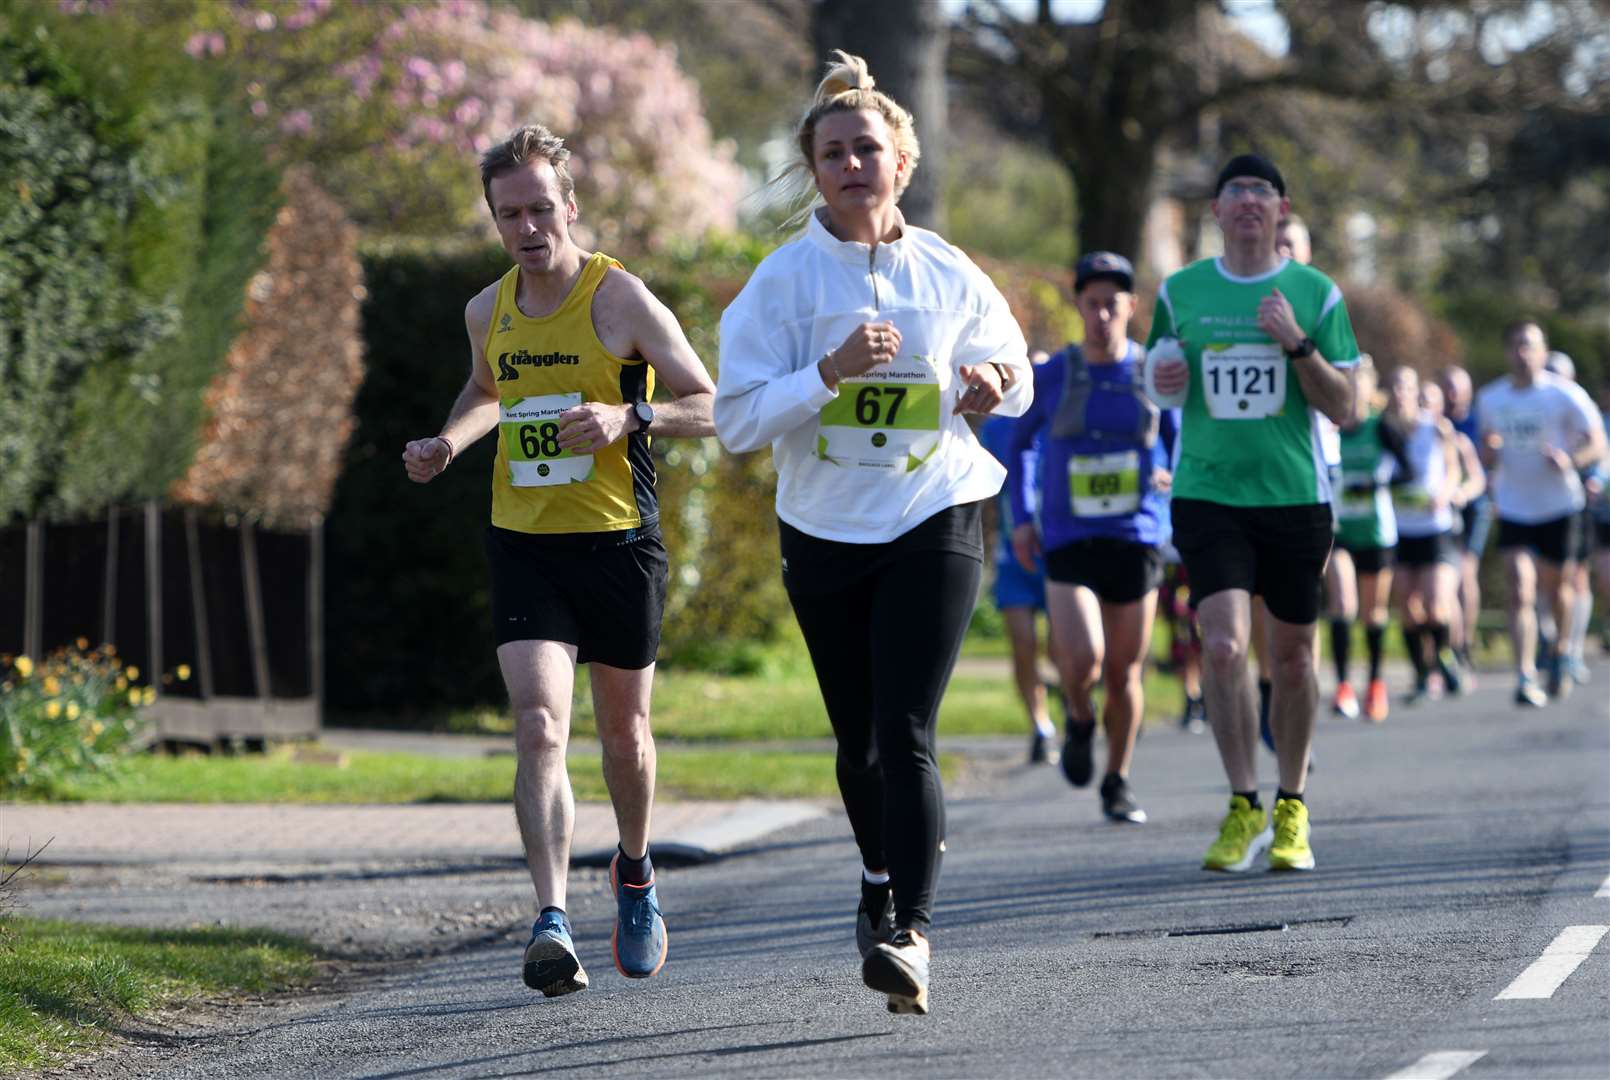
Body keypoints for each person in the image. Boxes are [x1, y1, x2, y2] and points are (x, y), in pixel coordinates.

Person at [713, 52, 1031, 1016]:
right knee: (858, 743)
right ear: (813, 169)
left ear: (904, 159)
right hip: (822, 525)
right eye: (835, 152)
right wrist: (828, 373)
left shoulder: (947, 268)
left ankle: (913, 934)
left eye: (870, 150)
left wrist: (992, 386)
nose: (854, 165)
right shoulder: (780, 284)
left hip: (935, 509)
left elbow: (1011, 361)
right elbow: (734, 423)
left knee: (906, 729)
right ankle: (877, 878)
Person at [402, 124, 716, 996]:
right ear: (496, 222)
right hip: (525, 544)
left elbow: (710, 402)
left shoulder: (621, 300)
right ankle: (550, 919)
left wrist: (631, 418)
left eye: (542, 209)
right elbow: (487, 388)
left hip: (619, 540)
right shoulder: (487, 308)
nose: (529, 228)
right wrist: (450, 442)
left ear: (569, 207)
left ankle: (636, 869)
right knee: (540, 725)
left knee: (626, 736)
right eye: (511, 215)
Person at [1144, 153, 1359, 874]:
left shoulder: (1314, 292)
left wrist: (1295, 342)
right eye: (1233, 190)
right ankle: (1242, 803)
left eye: (1260, 190)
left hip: (1294, 496)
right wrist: (1163, 379)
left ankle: (1291, 804)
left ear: (1281, 209)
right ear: (1215, 211)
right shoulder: (1181, 291)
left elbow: (1347, 407)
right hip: (1208, 494)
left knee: (1294, 659)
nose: (1246, 201)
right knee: (1226, 646)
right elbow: (1161, 377)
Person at [1006, 252, 1178, 825]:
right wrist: (1024, 516)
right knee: (1084, 658)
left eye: (1114, 302)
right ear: (1079, 305)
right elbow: (1021, 444)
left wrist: (1173, 478)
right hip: (1070, 535)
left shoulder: (1154, 371)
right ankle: (1079, 715)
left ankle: (1118, 779)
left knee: (1127, 670)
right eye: (1093, 302)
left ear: (1131, 306)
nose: (1103, 313)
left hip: (1136, 533)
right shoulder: (1055, 372)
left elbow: (1185, 440)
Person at [1476, 320, 1607, 705]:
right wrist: (1491, 452)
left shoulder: (1564, 395)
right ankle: (1524, 673)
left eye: (1529, 346)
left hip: (1559, 504)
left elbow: (1597, 443)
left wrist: (1571, 459)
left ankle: (1563, 651)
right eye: (1515, 345)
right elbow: (1487, 452)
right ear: (1507, 352)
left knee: (1559, 589)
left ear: (1542, 350)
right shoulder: (1491, 398)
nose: (1522, 353)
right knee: (1519, 587)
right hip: (1515, 504)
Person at [980, 352, 1059, 765]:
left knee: (1067, 652)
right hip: (1014, 554)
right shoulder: (995, 429)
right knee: (1023, 643)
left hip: (1061, 553)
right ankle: (1040, 725)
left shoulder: (1063, 423)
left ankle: (1069, 693)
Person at [1385, 369, 1481, 702]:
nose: (1401, 393)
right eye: (1396, 386)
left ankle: (1443, 657)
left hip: (1436, 529)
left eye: (1407, 387)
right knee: (1409, 610)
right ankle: (1422, 674)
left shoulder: (1437, 428)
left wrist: (1446, 491)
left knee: (1438, 605)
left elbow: (1455, 468)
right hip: (1399, 531)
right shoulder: (1384, 430)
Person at [1330, 356, 1411, 722]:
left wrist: (1379, 482)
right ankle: (1343, 685)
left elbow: (1409, 471)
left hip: (1377, 533)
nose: (1353, 387)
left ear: (1370, 387)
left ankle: (1375, 683)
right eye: (1346, 380)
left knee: (1372, 613)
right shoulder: (1328, 430)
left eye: (1359, 381)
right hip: (1339, 532)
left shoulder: (1382, 429)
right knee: (1342, 604)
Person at [1542, 351, 1597, 685]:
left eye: (1557, 374)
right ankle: (1550, 644)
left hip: (1575, 504)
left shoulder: (1580, 408)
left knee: (1575, 577)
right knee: (1539, 581)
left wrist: (1594, 477)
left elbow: (1599, 449)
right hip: (1536, 508)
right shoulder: (1538, 408)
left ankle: (1571, 649)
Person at [1439, 365, 1490, 672]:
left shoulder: (1479, 421)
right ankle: (1448, 644)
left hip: (1474, 505)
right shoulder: (1434, 422)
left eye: (1458, 387)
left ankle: (1465, 643)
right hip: (1441, 508)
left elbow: (1484, 466)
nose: (1452, 393)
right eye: (1447, 387)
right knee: (1447, 577)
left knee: (1466, 574)